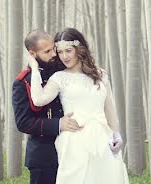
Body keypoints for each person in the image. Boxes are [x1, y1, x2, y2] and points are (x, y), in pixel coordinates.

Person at [25, 28, 129, 184]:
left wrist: (116, 134)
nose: (64, 56)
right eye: (60, 52)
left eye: (68, 51)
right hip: (74, 141)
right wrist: (34, 68)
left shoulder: (101, 74)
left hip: (103, 139)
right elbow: (38, 100)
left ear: (79, 49)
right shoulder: (59, 78)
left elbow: (109, 108)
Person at [13, 29, 83, 184]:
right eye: (47, 51)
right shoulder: (22, 82)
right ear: (32, 54)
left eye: (53, 49)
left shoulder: (63, 71)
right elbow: (23, 122)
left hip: (73, 148)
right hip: (43, 156)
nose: (54, 54)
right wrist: (59, 124)